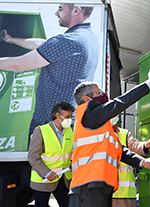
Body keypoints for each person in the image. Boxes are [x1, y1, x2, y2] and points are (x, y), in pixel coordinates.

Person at [0, 3, 99, 143]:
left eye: (60, 8)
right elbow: (43, 45)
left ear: (76, 10)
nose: (56, 13)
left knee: (41, 163)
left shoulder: (68, 41)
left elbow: (17, 65)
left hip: (50, 125)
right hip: (68, 121)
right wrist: (10, 39)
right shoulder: (88, 38)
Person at [69, 80, 150, 207]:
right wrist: (148, 85)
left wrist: (142, 162)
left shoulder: (102, 128)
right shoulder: (89, 113)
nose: (103, 95)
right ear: (87, 98)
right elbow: (120, 103)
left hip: (97, 187)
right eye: (99, 92)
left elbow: (120, 151)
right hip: (87, 187)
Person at [28, 101, 75, 207]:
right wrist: (47, 173)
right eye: (67, 116)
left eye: (70, 117)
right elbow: (33, 157)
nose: (69, 120)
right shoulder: (41, 131)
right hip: (43, 180)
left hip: (63, 179)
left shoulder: (69, 131)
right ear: (58, 115)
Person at [111, 120, 150, 207]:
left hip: (125, 193)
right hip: (109, 192)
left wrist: (145, 146)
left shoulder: (124, 133)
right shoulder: (102, 135)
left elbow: (134, 146)